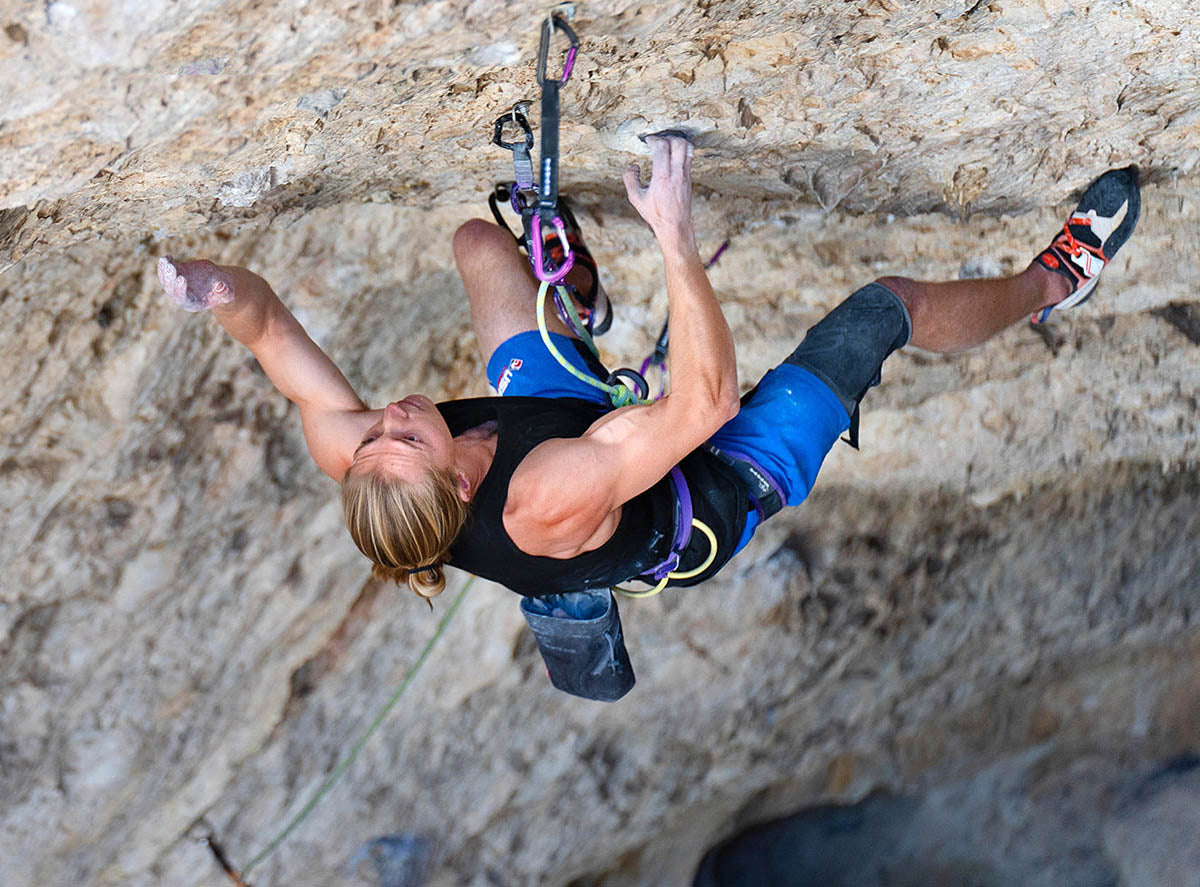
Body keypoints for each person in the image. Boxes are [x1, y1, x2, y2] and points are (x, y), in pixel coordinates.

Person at [159, 138, 1140, 615]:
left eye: (376, 433)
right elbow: (704, 402)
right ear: (458, 483)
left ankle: (575, 311)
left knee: (477, 244)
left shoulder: (365, 458)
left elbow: (268, 327)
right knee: (882, 311)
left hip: (569, 417)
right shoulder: (539, 498)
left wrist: (211, 286)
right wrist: (672, 237)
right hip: (706, 487)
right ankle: (1055, 281)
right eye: (404, 435)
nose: (396, 416)